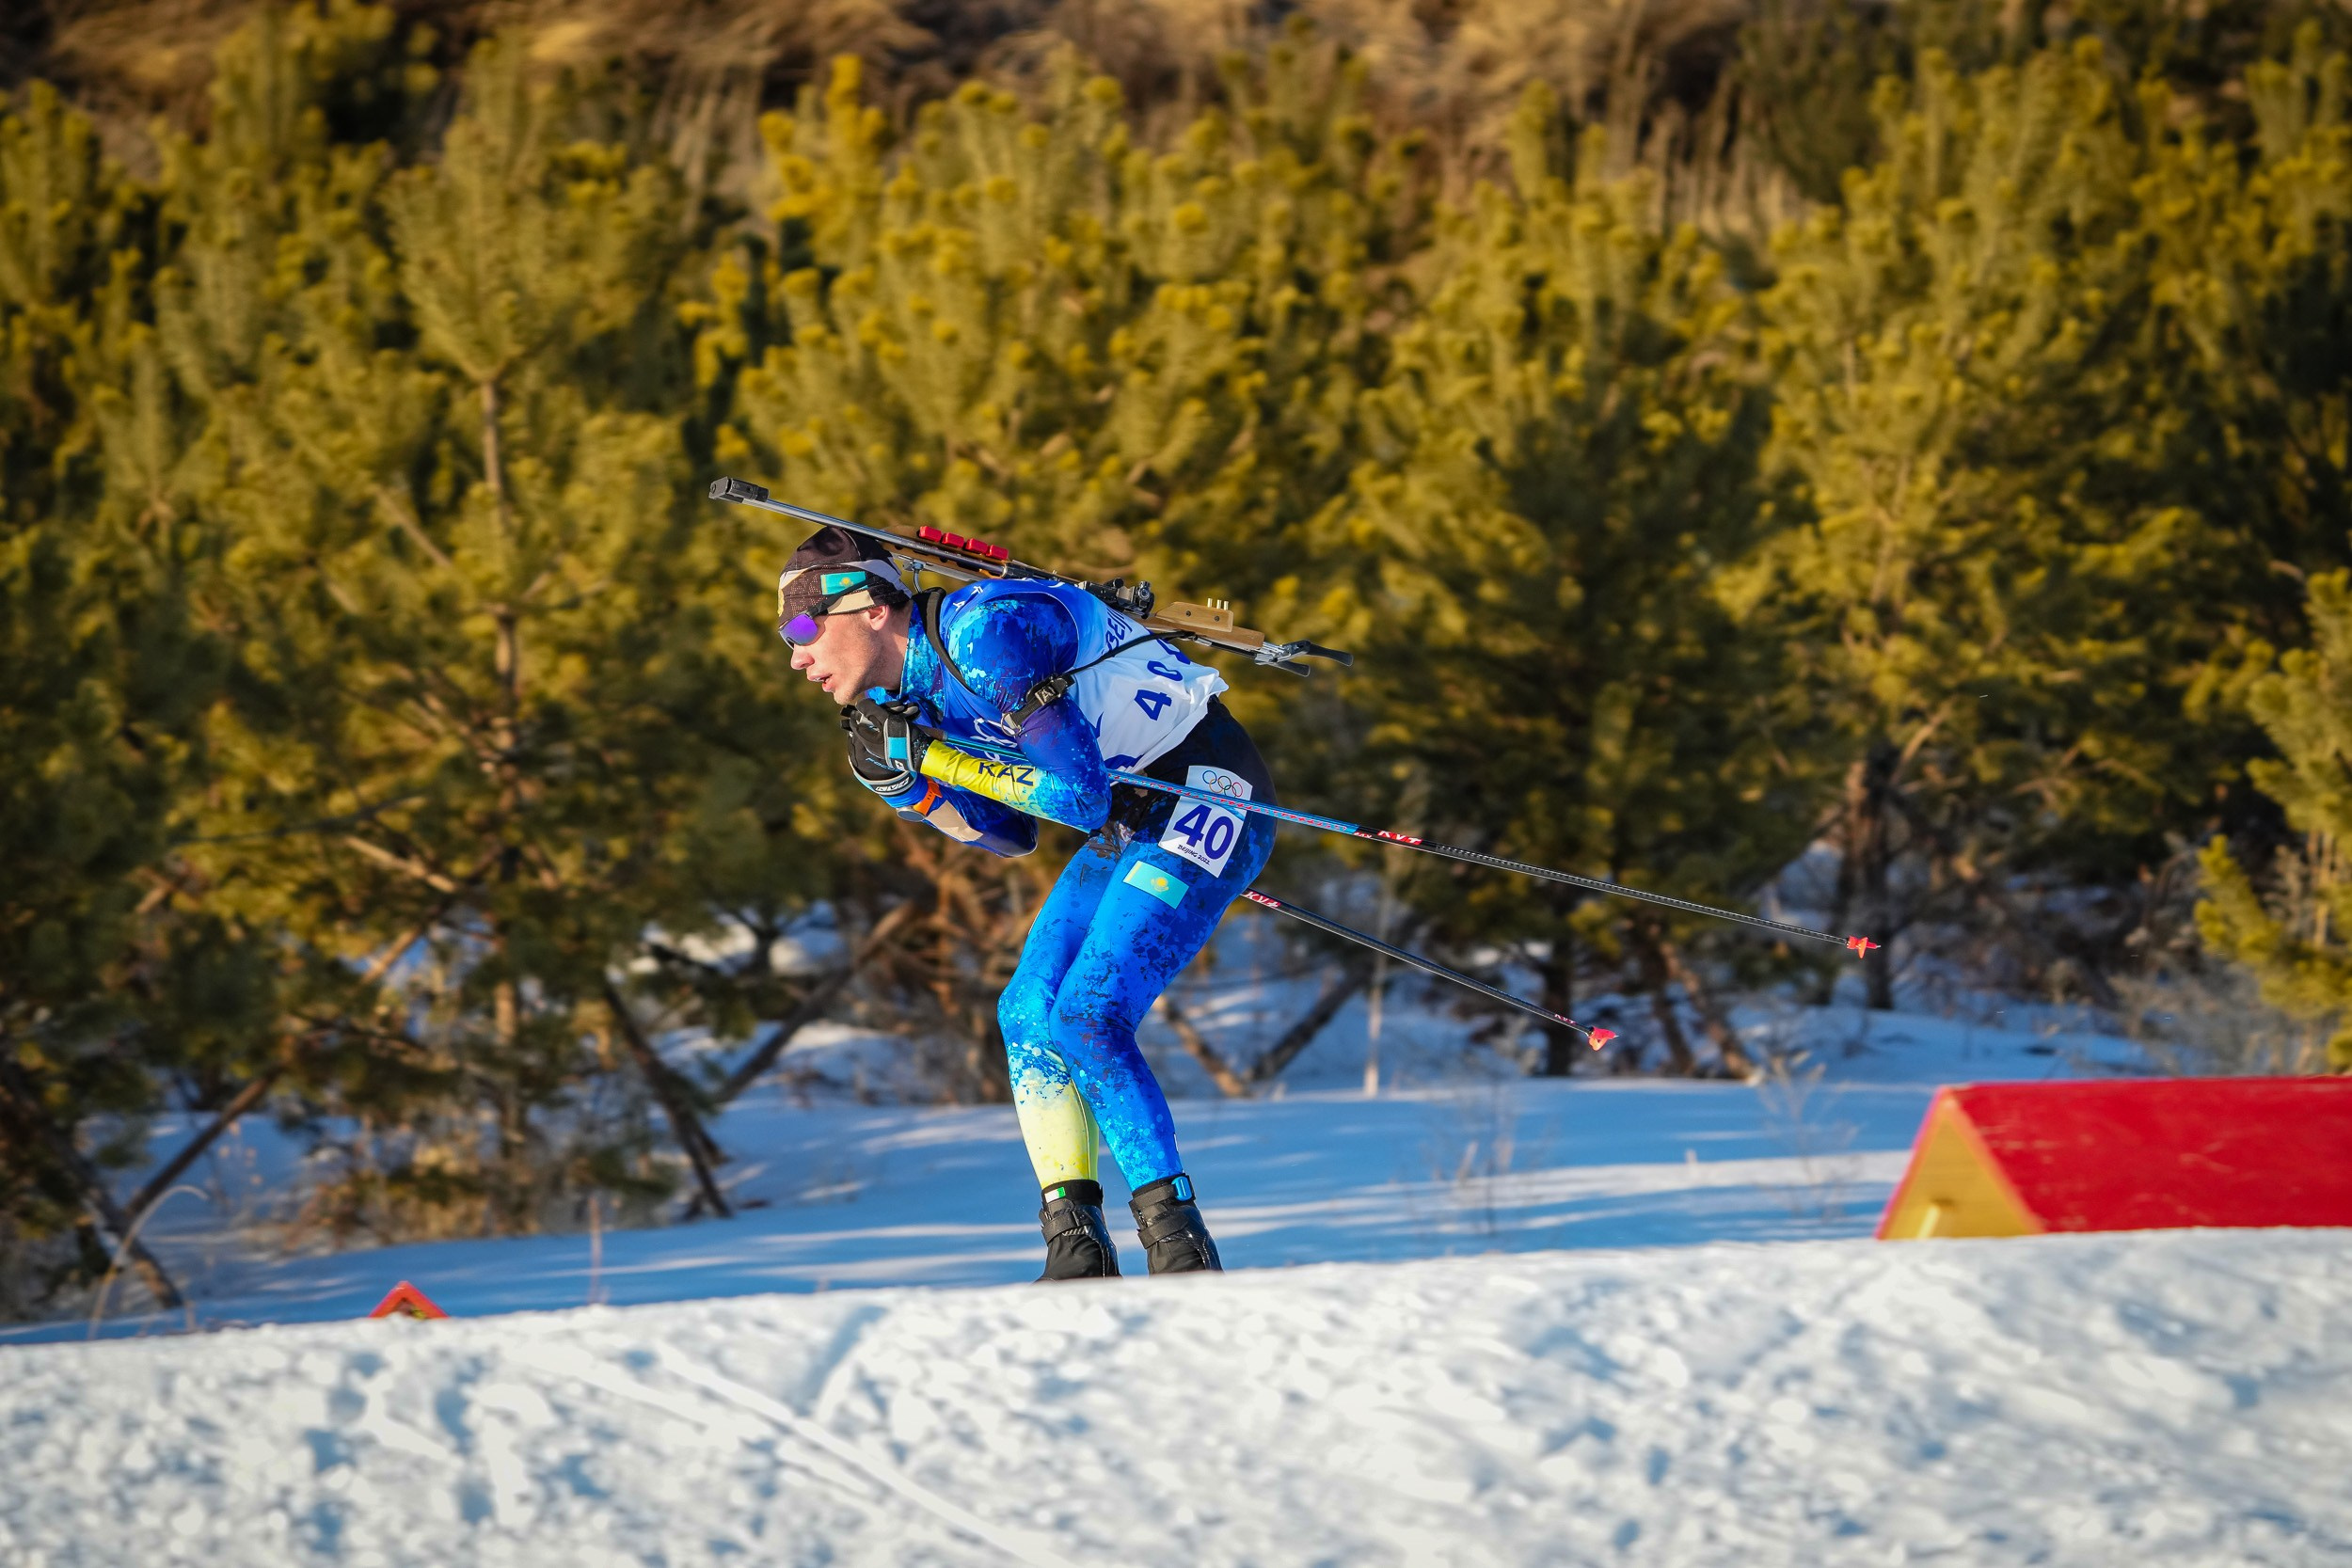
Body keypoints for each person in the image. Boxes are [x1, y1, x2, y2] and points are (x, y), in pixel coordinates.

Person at [777, 524, 1277, 1278]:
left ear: (872, 608)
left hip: (1206, 787)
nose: (796, 655)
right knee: (1027, 1011)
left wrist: (935, 757)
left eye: (805, 626)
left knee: (1088, 1015)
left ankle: (1179, 1249)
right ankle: (1075, 1245)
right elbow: (1010, 835)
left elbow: (1076, 798)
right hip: (1132, 812)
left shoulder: (986, 635)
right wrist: (914, 791)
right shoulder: (910, 690)